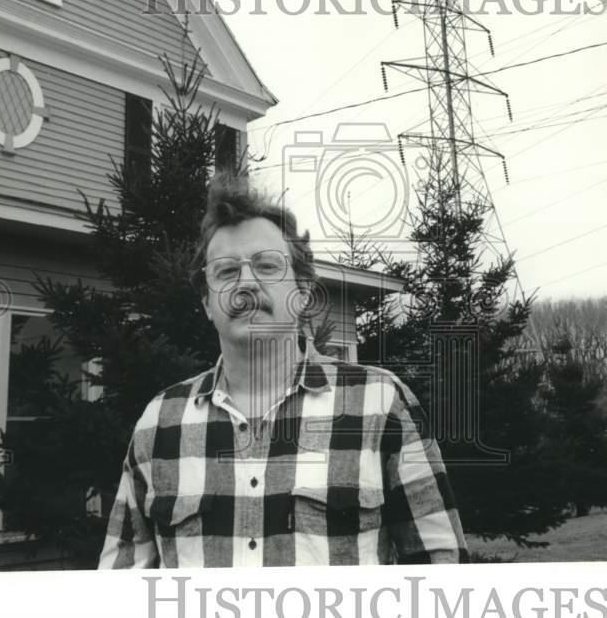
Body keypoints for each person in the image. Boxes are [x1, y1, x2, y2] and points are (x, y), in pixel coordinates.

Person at [98, 175, 468, 567]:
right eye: (225, 272)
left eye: (267, 266)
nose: (246, 283)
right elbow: (118, 591)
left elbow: (441, 578)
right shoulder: (160, 422)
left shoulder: (379, 403)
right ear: (207, 302)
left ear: (303, 291)